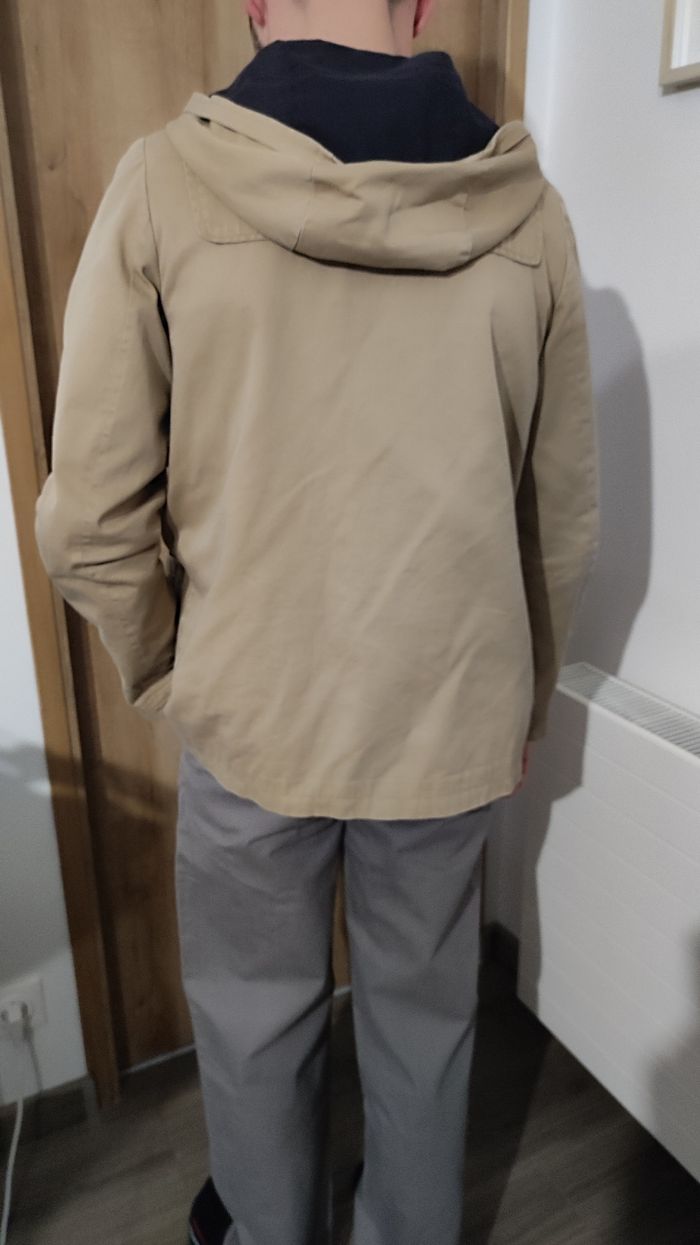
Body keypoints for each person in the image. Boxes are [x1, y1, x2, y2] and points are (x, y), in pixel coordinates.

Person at [34, 1, 601, 1242]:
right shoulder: (530, 215)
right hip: (449, 715)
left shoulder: (165, 184)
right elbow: (557, 518)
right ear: (418, 5)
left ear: (254, 6)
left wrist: (172, 674)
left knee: (254, 1020)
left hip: (253, 714)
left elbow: (90, 520)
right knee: (424, 1020)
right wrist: (519, 701)